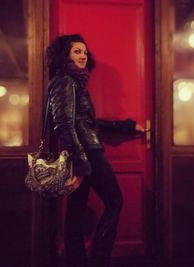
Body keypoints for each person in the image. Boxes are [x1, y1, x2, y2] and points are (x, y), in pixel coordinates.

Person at [46, 34, 144, 267]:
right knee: (115, 200)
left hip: (82, 151)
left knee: (76, 210)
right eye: (76, 51)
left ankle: (76, 260)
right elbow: (64, 124)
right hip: (87, 153)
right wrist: (81, 164)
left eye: (84, 52)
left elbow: (85, 122)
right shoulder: (65, 82)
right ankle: (99, 258)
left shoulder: (75, 83)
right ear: (65, 55)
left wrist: (125, 126)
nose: (82, 55)